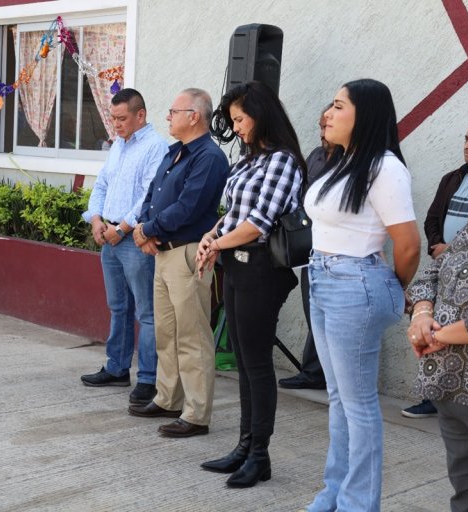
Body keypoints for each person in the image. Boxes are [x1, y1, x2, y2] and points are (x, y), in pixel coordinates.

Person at [304, 79, 420, 511]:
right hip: (321, 276)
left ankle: (357, 504)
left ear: (364, 114)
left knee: (359, 405)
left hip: (355, 283)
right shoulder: (343, 161)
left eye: (337, 106)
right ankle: (334, 492)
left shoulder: (384, 167)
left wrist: (389, 287)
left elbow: (407, 245)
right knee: (339, 400)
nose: (327, 114)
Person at [195, 81, 305, 488]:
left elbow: (258, 223)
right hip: (238, 267)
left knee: (257, 364)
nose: (236, 127)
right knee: (243, 361)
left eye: (241, 119)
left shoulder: (282, 161)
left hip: (262, 271)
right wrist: (212, 236)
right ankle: (244, 446)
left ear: (261, 116)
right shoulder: (249, 159)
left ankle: (260, 454)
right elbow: (234, 213)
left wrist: (216, 243)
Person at [128, 88, 228, 438]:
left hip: (187, 254)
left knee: (192, 335)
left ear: (194, 116)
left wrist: (146, 230)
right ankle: (168, 397)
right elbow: (153, 196)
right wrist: (144, 227)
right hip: (164, 252)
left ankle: (197, 413)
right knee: (166, 332)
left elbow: (189, 207)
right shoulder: (177, 153)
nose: (168, 116)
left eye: (174, 111)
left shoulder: (209, 158)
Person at [80, 88, 168, 405]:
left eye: (121, 118)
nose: (115, 124)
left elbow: (150, 196)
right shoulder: (118, 145)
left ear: (140, 115)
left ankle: (148, 379)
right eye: (112, 118)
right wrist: (96, 220)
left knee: (147, 312)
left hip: (134, 239)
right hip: (111, 238)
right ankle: (117, 368)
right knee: (118, 307)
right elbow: (102, 183)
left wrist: (122, 228)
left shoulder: (156, 147)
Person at [402, 117, 468, 419]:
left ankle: (462, 397)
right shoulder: (453, 178)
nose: (467, 145)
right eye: (466, 138)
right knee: (433, 323)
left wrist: (454, 252)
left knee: (466, 333)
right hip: (443, 269)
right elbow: (432, 218)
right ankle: (432, 396)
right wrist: (438, 247)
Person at [406, 209, 468, 512]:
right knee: (465, 490)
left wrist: (436, 338)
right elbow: (432, 272)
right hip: (448, 383)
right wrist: (422, 314)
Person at [278, 106, 334, 390]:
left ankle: (325, 373)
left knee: (330, 315)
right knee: (313, 309)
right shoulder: (315, 155)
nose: (323, 132)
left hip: (337, 250)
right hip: (309, 246)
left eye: (328, 126)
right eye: (321, 126)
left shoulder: (353, 160)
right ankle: (314, 371)